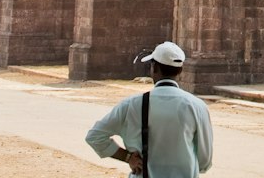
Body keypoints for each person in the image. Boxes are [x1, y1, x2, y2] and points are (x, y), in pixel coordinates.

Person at [86, 40, 213, 177]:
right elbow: (204, 161)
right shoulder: (197, 106)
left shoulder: (132, 104)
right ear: (180, 71)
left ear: (154, 68)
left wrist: (127, 157)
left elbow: (95, 136)